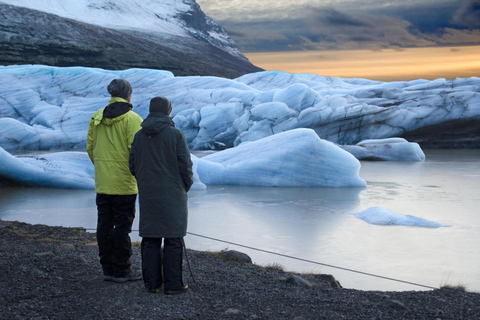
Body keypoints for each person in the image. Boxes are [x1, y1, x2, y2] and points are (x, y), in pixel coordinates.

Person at [129, 96, 194, 295]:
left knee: (150, 237)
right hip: (173, 193)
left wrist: (145, 181)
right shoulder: (176, 135)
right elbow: (185, 166)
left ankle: (151, 284)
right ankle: (173, 285)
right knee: (173, 237)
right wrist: (184, 186)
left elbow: (132, 164)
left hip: (148, 193)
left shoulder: (139, 136)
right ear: (168, 111)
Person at [86, 79, 143, 283]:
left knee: (104, 225)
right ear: (128, 94)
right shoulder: (132, 119)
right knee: (122, 227)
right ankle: (122, 270)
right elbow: (136, 150)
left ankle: (107, 269)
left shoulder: (96, 117)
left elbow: (90, 148)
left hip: (103, 182)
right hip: (125, 183)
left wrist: (102, 167)